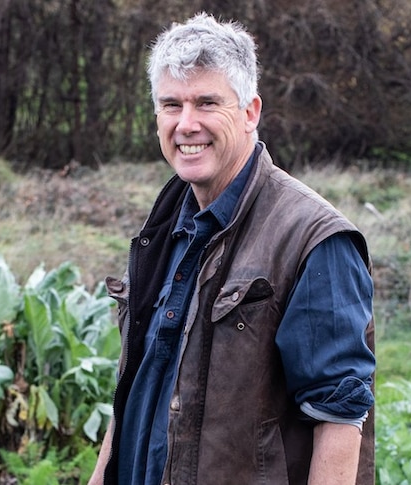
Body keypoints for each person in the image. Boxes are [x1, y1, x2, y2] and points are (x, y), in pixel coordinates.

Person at [89, 12, 376, 485]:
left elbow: (339, 419)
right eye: (170, 105)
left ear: (249, 112)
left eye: (206, 103)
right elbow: (137, 388)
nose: (186, 124)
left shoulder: (311, 237)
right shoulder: (161, 231)